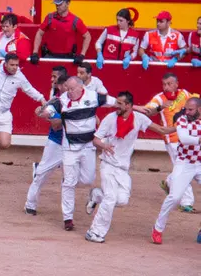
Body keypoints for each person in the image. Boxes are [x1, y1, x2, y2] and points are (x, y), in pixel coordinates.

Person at [84, 91, 169, 243]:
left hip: (123, 168)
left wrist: (180, 128)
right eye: (116, 102)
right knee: (110, 198)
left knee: (122, 200)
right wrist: (104, 145)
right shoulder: (110, 119)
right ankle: (94, 231)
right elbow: (95, 139)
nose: (116, 105)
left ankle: (96, 195)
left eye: (120, 103)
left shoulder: (139, 118)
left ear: (128, 105)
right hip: (108, 164)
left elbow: (161, 130)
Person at [37, 76, 117, 231]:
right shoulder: (62, 100)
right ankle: (68, 218)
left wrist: (137, 108)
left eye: (72, 89)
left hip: (88, 146)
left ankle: (72, 182)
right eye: (67, 88)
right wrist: (43, 112)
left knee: (88, 179)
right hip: (69, 147)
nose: (69, 91)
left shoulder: (93, 96)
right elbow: (47, 111)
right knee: (69, 183)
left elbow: (115, 102)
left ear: (81, 88)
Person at [0, 53, 46, 187]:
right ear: (5, 64)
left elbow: (29, 89)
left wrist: (41, 99)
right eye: (12, 65)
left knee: (5, 144)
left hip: (4, 114)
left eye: (16, 65)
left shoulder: (19, 76)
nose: (14, 67)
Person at [135, 73, 198, 213]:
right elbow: (148, 111)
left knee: (184, 167)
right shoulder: (159, 99)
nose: (166, 87)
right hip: (172, 139)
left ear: (176, 84)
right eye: (164, 84)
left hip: (187, 138)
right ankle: (186, 202)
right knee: (185, 168)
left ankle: (169, 181)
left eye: (169, 84)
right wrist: (160, 107)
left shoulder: (184, 94)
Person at [152, 98, 201, 245]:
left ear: (199, 109)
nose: (187, 112)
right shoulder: (182, 120)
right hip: (184, 163)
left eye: (191, 110)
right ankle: (158, 228)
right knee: (174, 198)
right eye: (186, 109)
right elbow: (184, 139)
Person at [25, 70, 67, 215]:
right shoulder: (56, 100)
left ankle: (68, 214)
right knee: (42, 174)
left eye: (55, 78)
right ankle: (30, 205)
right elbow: (45, 114)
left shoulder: (79, 98)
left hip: (75, 144)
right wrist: (53, 116)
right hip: (56, 142)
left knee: (77, 179)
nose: (52, 80)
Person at [31, 0, 91, 64]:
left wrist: (82, 55)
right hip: (50, 56)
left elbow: (87, 36)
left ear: (68, 3)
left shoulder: (75, 20)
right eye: (56, 4)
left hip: (68, 59)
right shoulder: (49, 17)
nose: (57, 6)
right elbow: (39, 33)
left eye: (60, 4)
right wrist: (35, 52)